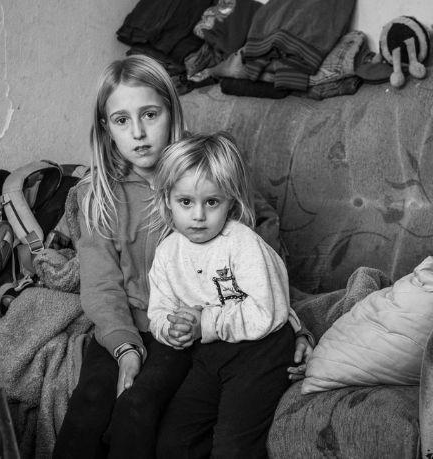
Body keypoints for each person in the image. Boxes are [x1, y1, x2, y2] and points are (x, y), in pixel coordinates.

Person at [52, 55, 313, 459]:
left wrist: (293, 325)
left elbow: (258, 259)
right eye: (121, 120)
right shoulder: (96, 196)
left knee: (140, 406)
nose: (138, 133)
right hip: (126, 326)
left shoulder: (206, 171)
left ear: (171, 111)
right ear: (106, 128)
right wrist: (125, 348)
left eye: (150, 115)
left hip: (187, 329)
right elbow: (101, 288)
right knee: (91, 402)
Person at [146, 132, 304, 458]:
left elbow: (267, 312)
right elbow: (159, 310)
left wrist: (204, 323)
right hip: (209, 354)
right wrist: (171, 329)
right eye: (186, 202)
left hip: (262, 349)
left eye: (212, 202)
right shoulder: (167, 252)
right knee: (173, 442)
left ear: (230, 202)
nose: (198, 215)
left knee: (233, 446)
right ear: (167, 200)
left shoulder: (241, 242)